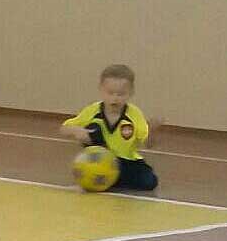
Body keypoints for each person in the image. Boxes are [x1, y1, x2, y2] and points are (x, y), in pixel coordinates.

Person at [60, 63, 158, 191]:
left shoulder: (134, 114)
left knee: (149, 182)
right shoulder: (93, 110)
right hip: (100, 160)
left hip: (125, 162)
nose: (115, 98)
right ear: (101, 90)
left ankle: (109, 180)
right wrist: (77, 130)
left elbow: (147, 144)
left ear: (131, 93)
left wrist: (151, 131)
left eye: (121, 94)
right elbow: (63, 129)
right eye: (110, 93)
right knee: (93, 128)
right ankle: (97, 176)